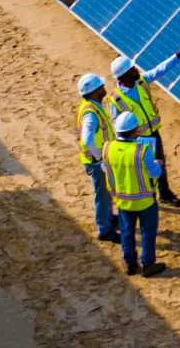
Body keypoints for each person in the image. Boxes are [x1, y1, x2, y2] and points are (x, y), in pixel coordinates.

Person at [107, 39, 180, 208]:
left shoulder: (141, 82)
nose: (136, 70)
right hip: (137, 140)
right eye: (132, 69)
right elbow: (116, 125)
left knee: (159, 164)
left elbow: (159, 70)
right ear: (124, 76)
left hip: (153, 133)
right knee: (143, 168)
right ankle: (147, 196)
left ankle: (164, 194)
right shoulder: (115, 99)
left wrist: (179, 54)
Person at [101, 112, 166, 277]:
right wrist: (157, 164)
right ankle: (148, 264)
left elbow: (106, 168)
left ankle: (130, 263)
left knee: (127, 232)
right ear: (134, 130)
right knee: (147, 233)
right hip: (145, 200)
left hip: (122, 200)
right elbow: (155, 173)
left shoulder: (108, 148)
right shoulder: (142, 150)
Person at [76, 73, 120, 243]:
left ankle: (108, 218)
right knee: (103, 196)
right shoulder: (91, 113)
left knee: (106, 193)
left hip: (96, 161)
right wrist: (100, 159)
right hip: (96, 163)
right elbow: (87, 139)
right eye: (100, 87)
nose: (104, 88)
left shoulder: (91, 106)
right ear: (94, 92)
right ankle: (104, 230)